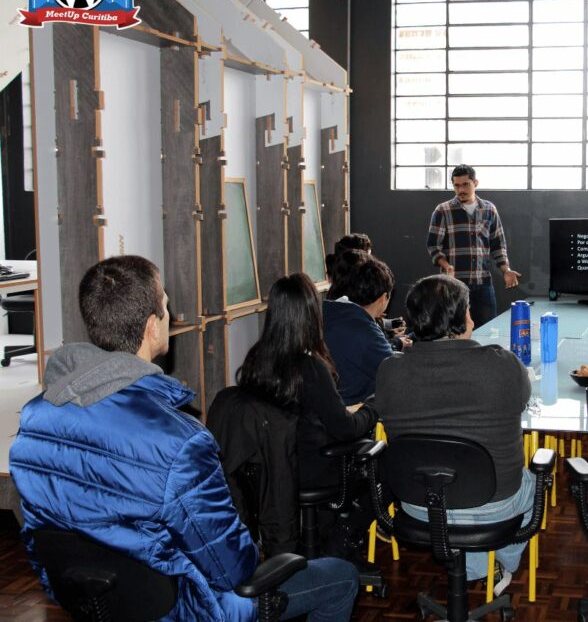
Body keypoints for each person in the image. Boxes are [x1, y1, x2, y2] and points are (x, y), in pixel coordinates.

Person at [9, 256, 359, 621]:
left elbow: (41, 541)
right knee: (341, 577)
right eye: (165, 305)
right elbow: (233, 569)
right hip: (189, 609)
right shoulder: (179, 442)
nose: (170, 312)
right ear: (151, 327)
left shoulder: (35, 420)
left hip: (95, 602)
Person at [375, 274, 532, 596]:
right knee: (532, 478)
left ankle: (473, 566)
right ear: (462, 318)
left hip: (419, 503)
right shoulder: (502, 364)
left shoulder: (389, 371)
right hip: (495, 503)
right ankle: (504, 561)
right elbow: (521, 402)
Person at [237, 273, 378, 491]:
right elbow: (347, 429)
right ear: (312, 314)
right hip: (313, 470)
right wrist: (372, 406)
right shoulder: (310, 368)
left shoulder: (255, 361)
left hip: (273, 471)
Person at [426, 164, 521, 327]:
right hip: (453, 284)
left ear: (475, 183)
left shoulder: (489, 210)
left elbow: (498, 244)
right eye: (456, 185)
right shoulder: (443, 211)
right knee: (454, 331)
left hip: (482, 283)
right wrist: (446, 265)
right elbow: (433, 246)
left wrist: (506, 270)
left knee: (488, 329)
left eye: (465, 184)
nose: (460, 189)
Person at [324, 255, 399, 405]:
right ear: (384, 298)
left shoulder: (328, 309)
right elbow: (395, 374)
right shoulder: (365, 331)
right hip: (351, 410)